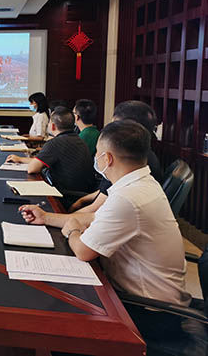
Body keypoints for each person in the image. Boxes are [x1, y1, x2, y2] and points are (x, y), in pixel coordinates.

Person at [18, 121, 202, 354]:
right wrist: (46, 217)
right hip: (155, 302)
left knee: (57, 313)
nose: (95, 159)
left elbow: (83, 251)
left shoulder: (128, 198)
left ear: (107, 158)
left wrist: (73, 231)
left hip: (150, 314)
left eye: (97, 153)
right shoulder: (141, 184)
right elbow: (95, 218)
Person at [68, 100, 163, 212]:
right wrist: (82, 200)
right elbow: (105, 191)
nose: (111, 130)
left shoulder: (126, 162)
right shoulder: (143, 155)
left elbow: (95, 210)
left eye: (115, 126)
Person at [7, 106, 96, 208]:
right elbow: (41, 160)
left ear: (52, 126)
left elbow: (32, 169)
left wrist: (23, 160)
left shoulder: (55, 143)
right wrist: (20, 159)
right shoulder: (78, 140)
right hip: (82, 194)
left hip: (65, 197)